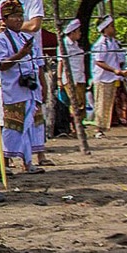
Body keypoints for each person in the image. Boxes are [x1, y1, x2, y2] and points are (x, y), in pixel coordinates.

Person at [0, 0, 45, 174]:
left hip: (30, 89)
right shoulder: (1, 40)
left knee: (30, 126)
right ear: (5, 19)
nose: (18, 20)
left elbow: (38, 63)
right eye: (14, 16)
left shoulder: (26, 37)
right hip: (13, 89)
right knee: (13, 127)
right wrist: (20, 54)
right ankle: (6, 163)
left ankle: (28, 162)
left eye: (20, 16)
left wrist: (42, 84)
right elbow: (1, 65)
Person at [90, 16, 127, 139]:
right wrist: (115, 70)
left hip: (117, 78)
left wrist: (124, 70)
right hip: (104, 79)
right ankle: (99, 129)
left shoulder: (115, 42)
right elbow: (99, 61)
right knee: (103, 104)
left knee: (124, 103)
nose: (114, 29)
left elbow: (119, 59)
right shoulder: (101, 44)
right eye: (111, 26)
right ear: (105, 28)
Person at [58, 19, 93, 154]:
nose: (80, 34)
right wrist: (60, 79)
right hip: (70, 79)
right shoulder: (64, 45)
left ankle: (79, 126)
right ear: (72, 32)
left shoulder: (77, 45)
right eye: (78, 31)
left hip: (80, 77)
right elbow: (61, 62)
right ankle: (75, 129)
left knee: (81, 104)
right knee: (75, 104)